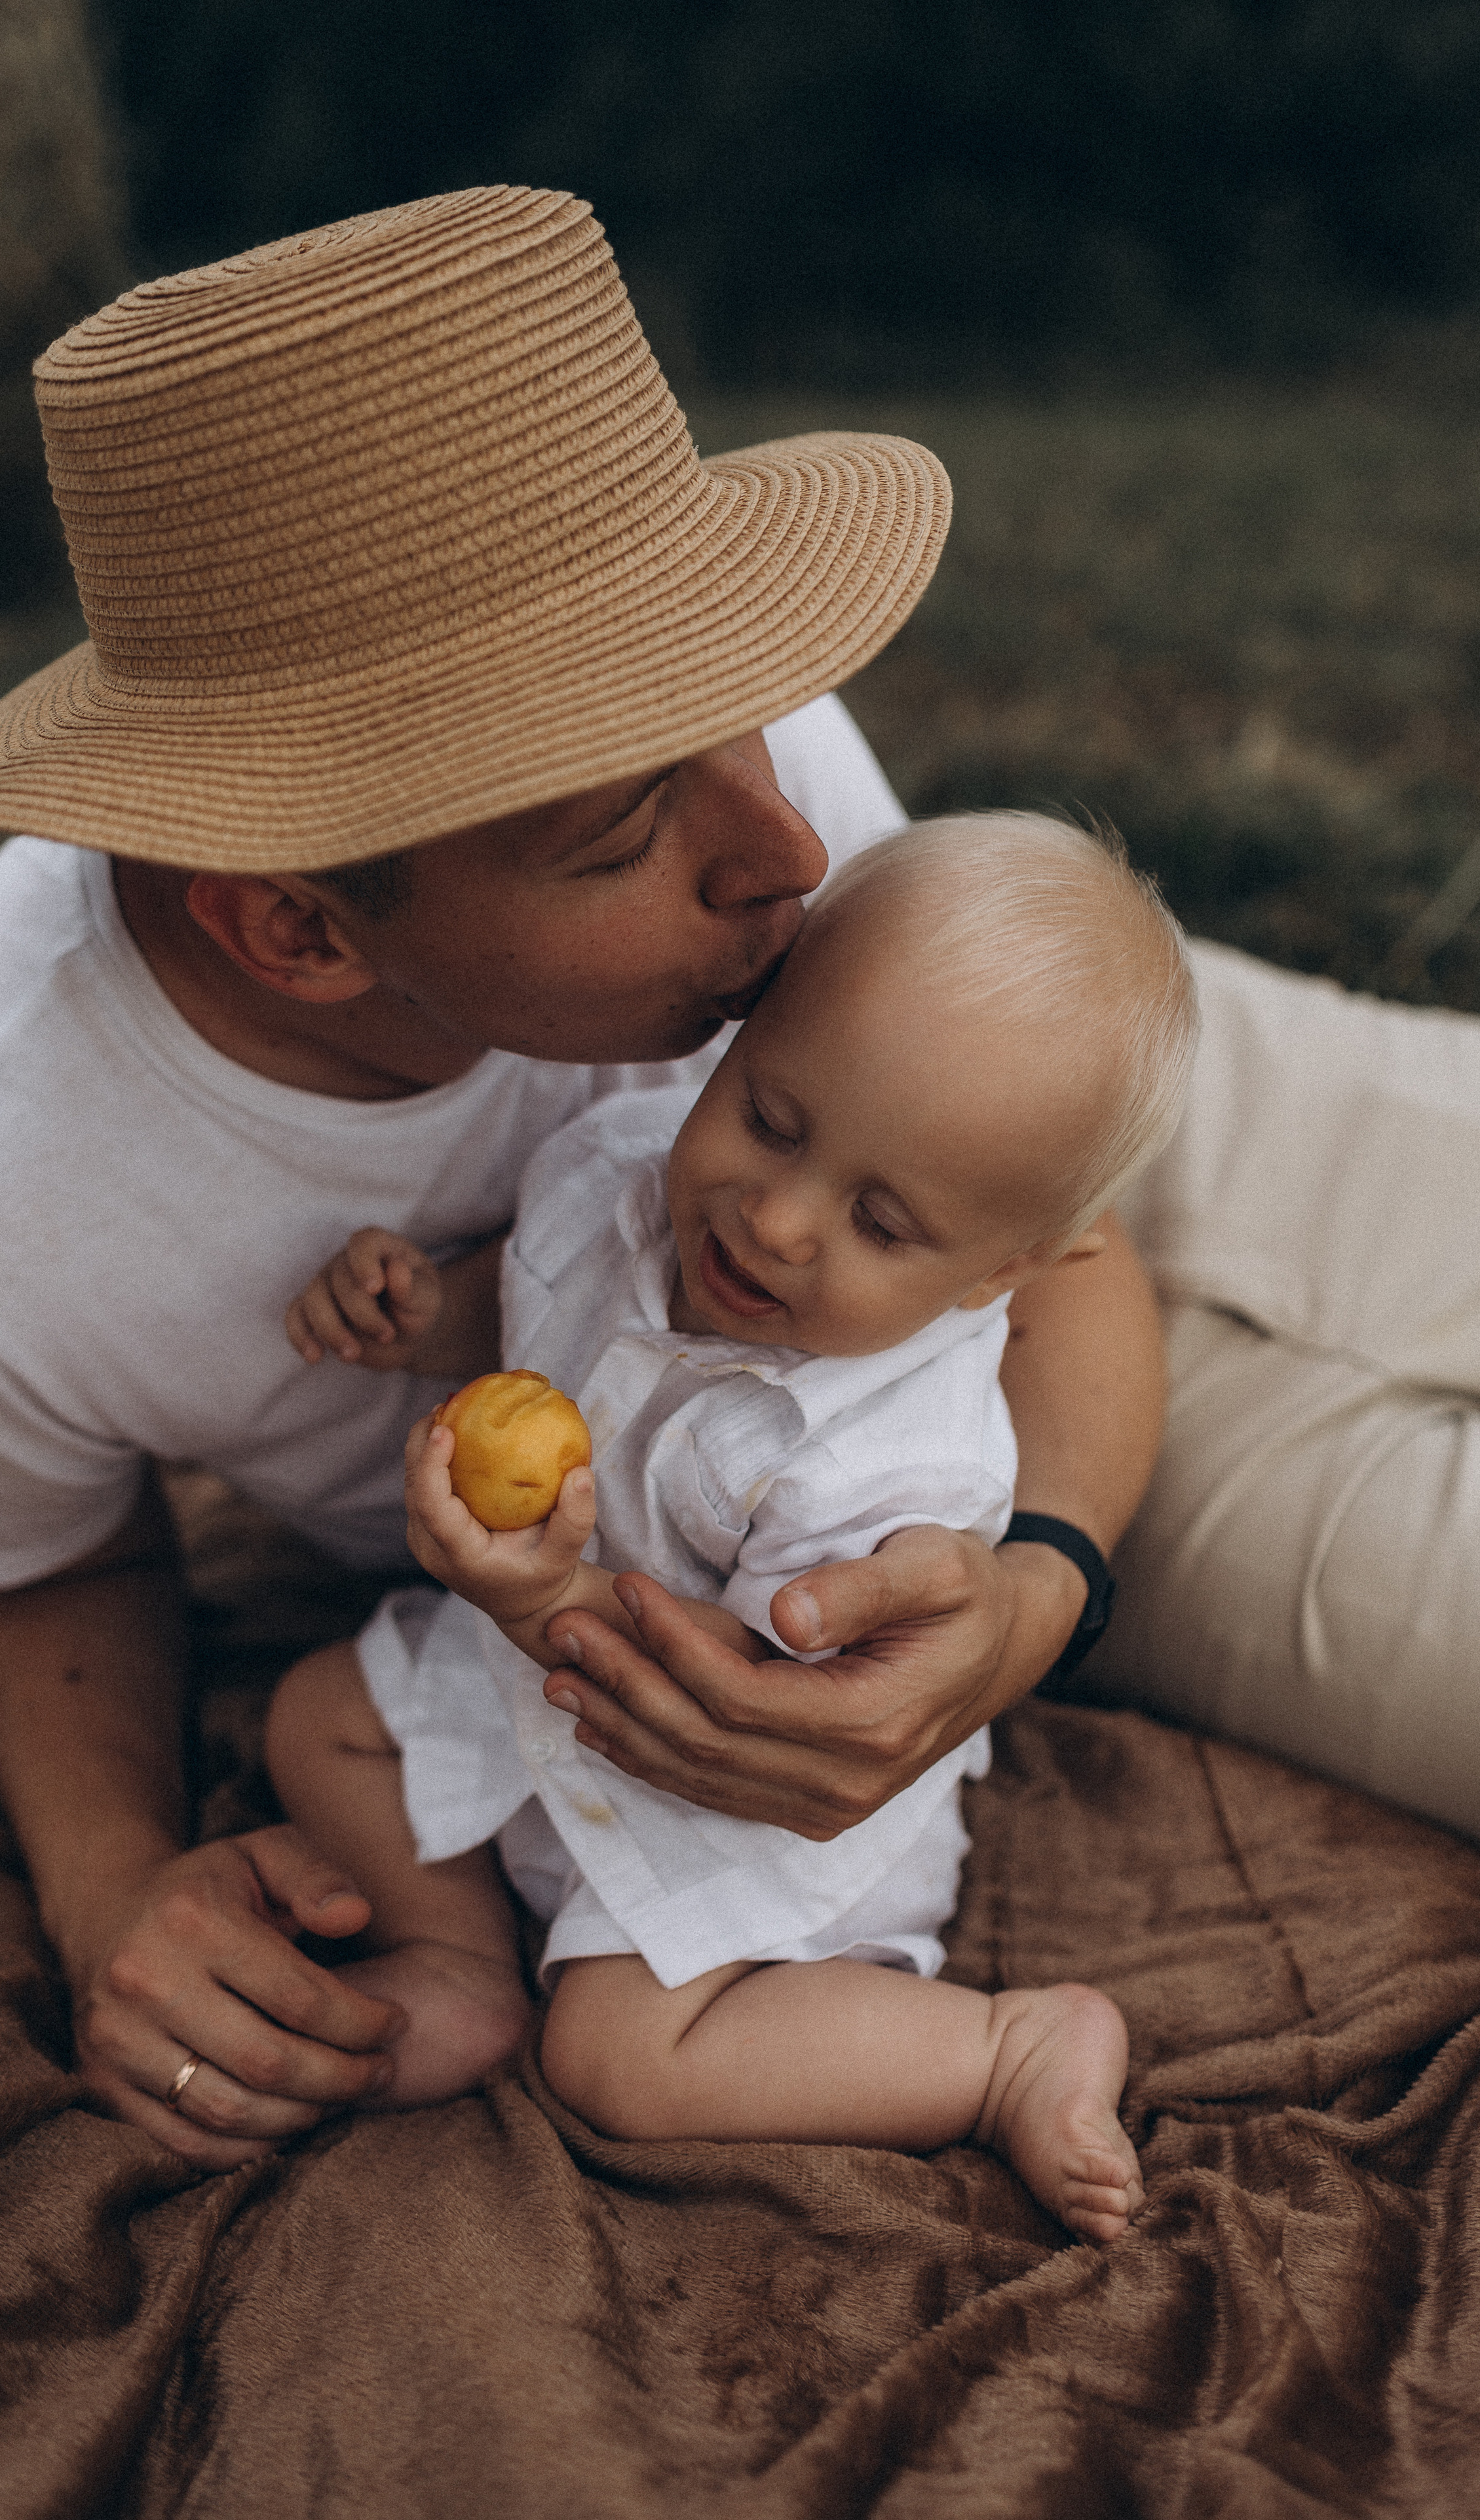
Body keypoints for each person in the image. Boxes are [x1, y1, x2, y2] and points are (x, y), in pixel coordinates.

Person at [0, 189, 1167, 2169]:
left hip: (1011, 1131)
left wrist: (1038, 1592)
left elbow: (1079, 1244)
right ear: (296, 930)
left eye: (745, 714)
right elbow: (39, 1565)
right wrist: (113, 1895)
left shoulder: (730, 790)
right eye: (621, 833)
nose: (788, 850)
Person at [265, 814, 1198, 2240]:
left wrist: (540, 1597)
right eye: (770, 1119)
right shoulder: (614, 1173)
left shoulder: (890, 1462)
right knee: (323, 1714)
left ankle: (1003, 2049)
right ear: (747, 1029)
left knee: (622, 2060)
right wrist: (420, 1313)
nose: (775, 1220)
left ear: (1001, 1276)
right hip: (532, 1675)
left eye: (880, 1222)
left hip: (735, 1789)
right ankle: (454, 1959)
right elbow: (529, 1296)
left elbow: (748, 1705)